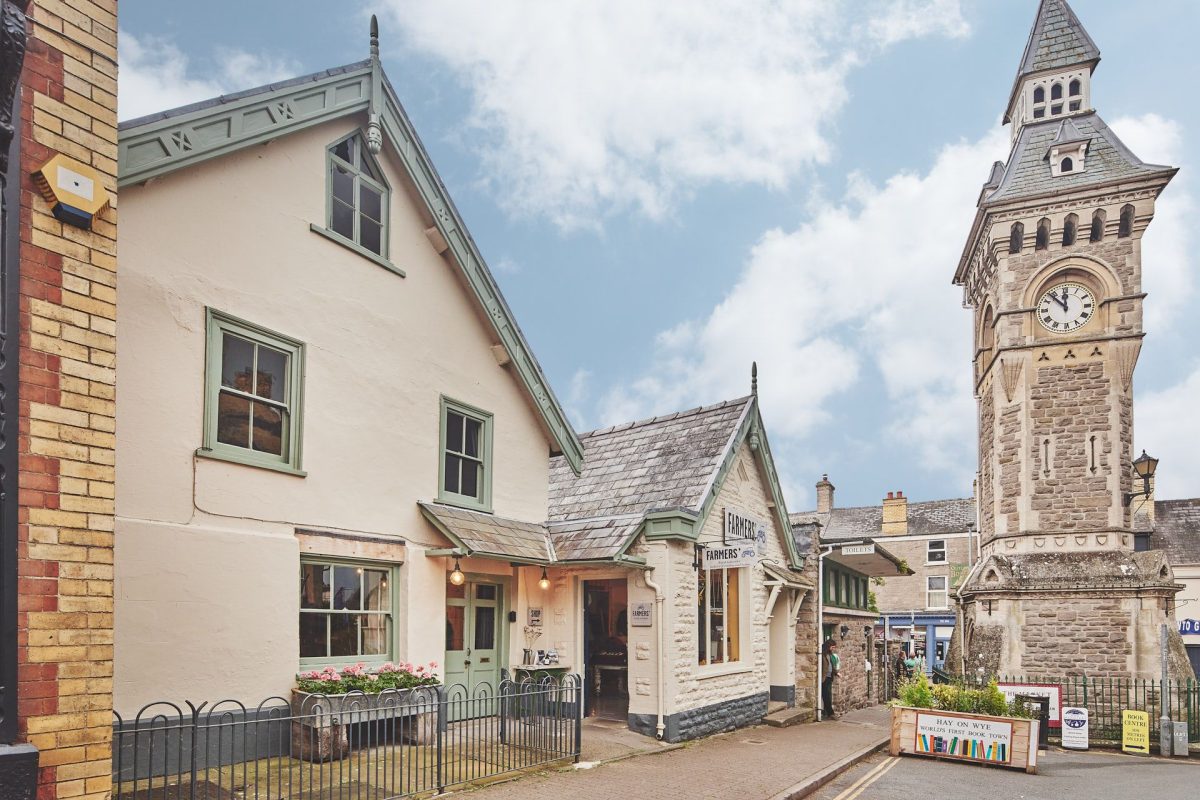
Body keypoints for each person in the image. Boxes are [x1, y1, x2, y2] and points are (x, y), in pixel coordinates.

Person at [821, 640, 839, 720]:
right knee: (826, 696)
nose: (833, 649)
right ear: (828, 646)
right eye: (832, 647)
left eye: (834, 647)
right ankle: (830, 713)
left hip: (829, 677)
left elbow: (831, 665)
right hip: (824, 678)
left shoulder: (829, 654)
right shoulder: (822, 654)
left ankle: (828, 712)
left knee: (827, 695)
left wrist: (836, 673)